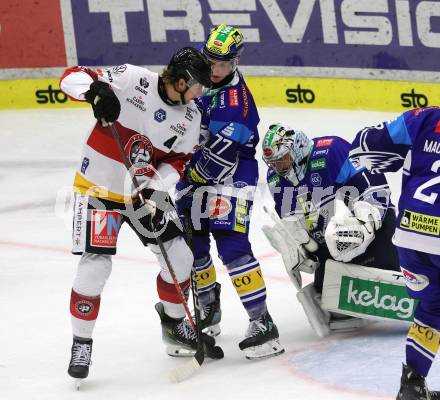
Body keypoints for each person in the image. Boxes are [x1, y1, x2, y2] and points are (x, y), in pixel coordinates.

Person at [60, 47, 214, 381]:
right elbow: (71, 76)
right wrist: (94, 92)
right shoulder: (132, 78)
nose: (200, 92)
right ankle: (81, 342)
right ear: (181, 80)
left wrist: (155, 189)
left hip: (143, 193)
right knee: (95, 267)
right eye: (197, 84)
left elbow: (178, 161)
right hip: (97, 188)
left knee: (179, 257)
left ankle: (174, 324)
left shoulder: (190, 116)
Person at [175, 24, 284, 359]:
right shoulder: (196, 66)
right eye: (211, 60)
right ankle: (207, 310)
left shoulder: (237, 104)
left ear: (236, 61)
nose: (215, 68)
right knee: (192, 244)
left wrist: (184, 176)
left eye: (223, 63)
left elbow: (217, 161)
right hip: (194, 166)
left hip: (232, 174)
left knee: (232, 245)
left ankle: (262, 322)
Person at [261, 122, 400, 336]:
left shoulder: (330, 151)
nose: (278, 167)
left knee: (388, 267)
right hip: (331, 248)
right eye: (273, 163)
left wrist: (363, 227)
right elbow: (294, 223)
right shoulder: (275, 180)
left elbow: (376, 192)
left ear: (297, 148)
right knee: (330, 298)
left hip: (372, 233)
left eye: (282, 159)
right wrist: (301, 248)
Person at [348, 107, 440, 400]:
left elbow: (364, 145)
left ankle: (412, 385)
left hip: (411, 235)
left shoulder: (424, 118)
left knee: (432, 309)